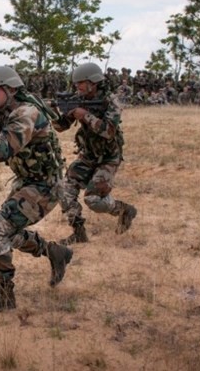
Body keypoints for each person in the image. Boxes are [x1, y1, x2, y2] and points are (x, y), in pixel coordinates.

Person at [0, 66, 73, 311]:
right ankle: (54, 252)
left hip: (45, 186)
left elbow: (0, 152)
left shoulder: (26, 113)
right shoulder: (7, 111)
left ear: (10, 89)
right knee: (5, 232)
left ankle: (4, 296)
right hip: (29, 182)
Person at [51, 62, 137, 245]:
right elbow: (60, 127)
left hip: (108, 157)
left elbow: (109, 131)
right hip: (87, 155)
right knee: (64, 192)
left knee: (93, 199)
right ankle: (79, 233)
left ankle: (124, 210)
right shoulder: (77, 99)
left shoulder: (110, 102)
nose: (77, 87)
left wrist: (85, 116)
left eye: (80, 83)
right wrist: (53, 113)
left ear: (93, 83)